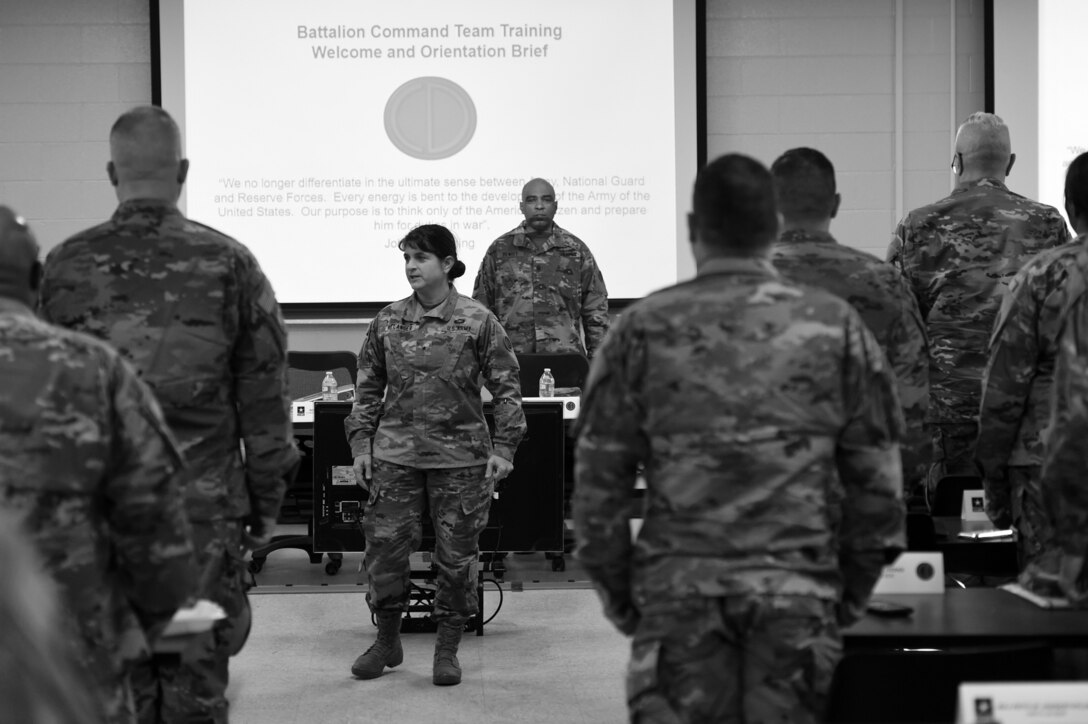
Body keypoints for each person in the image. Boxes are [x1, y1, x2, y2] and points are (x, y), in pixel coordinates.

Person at [573, 154, 906, 723]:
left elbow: (597, 490)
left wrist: (628, 602)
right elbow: (877, 485)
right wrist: (845, 594)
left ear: (691, 229)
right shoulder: (834, 326)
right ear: (774, 225)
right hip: (798, 596)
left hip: (679, 600)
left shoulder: (641, 329)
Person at [39, 106, 299, 724]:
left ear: (111, 172)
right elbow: (265, 407)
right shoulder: (231, 263)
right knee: (189, 680)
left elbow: (42, 401)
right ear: (183, 171)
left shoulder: (63, 267)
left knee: (111, 683)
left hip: (97, 525)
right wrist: (264, 515)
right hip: (198, 526)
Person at [0, 206, 196, 723]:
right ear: (39, 279)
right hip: (72, 655)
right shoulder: (93, 368)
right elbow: (154, 515)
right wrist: (178, 637)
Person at [345, 224, 526, 687]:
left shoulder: (478, 320)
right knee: (384, 553)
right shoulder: (387, 320)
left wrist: (504, 447)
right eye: (406, 258)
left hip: (460, 460)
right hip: (395, 457)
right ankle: (387, 640)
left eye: (420, 258)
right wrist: (360, 445)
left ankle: (447, 649)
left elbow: (507, 388)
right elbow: (366, 389)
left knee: (456, 559)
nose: (411, 267)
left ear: (446, 264)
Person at [888, 112, 1070, 497]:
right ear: (1012, 163)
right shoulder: (1047, 223)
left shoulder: (918, 225)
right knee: (1023, 531)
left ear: (956, 161)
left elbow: (896, 328)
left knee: (949, 531)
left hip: (946, 415)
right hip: (1025, 416)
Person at [770, 147, 930, 497]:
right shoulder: (884, 285)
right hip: (861, 500)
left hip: (761, 508)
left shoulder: (738, 286)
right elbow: (913, 405)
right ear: (836, 204)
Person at [977, 151, 1088, 571]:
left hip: (1049, 469)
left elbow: (1004, 387)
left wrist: (993, 482)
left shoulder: (1040, 276)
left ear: (1071, 208)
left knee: (1055, 608)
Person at [472, 177, 610, 360]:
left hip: (565, 359)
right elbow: (481, 308)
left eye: (546, 200)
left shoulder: (576, 250)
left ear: (555, 206)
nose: (539, 206)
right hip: (511, 362)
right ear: (521, 206)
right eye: (531, 200)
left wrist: (599, 364)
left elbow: (595, 310)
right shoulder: (499, 250)